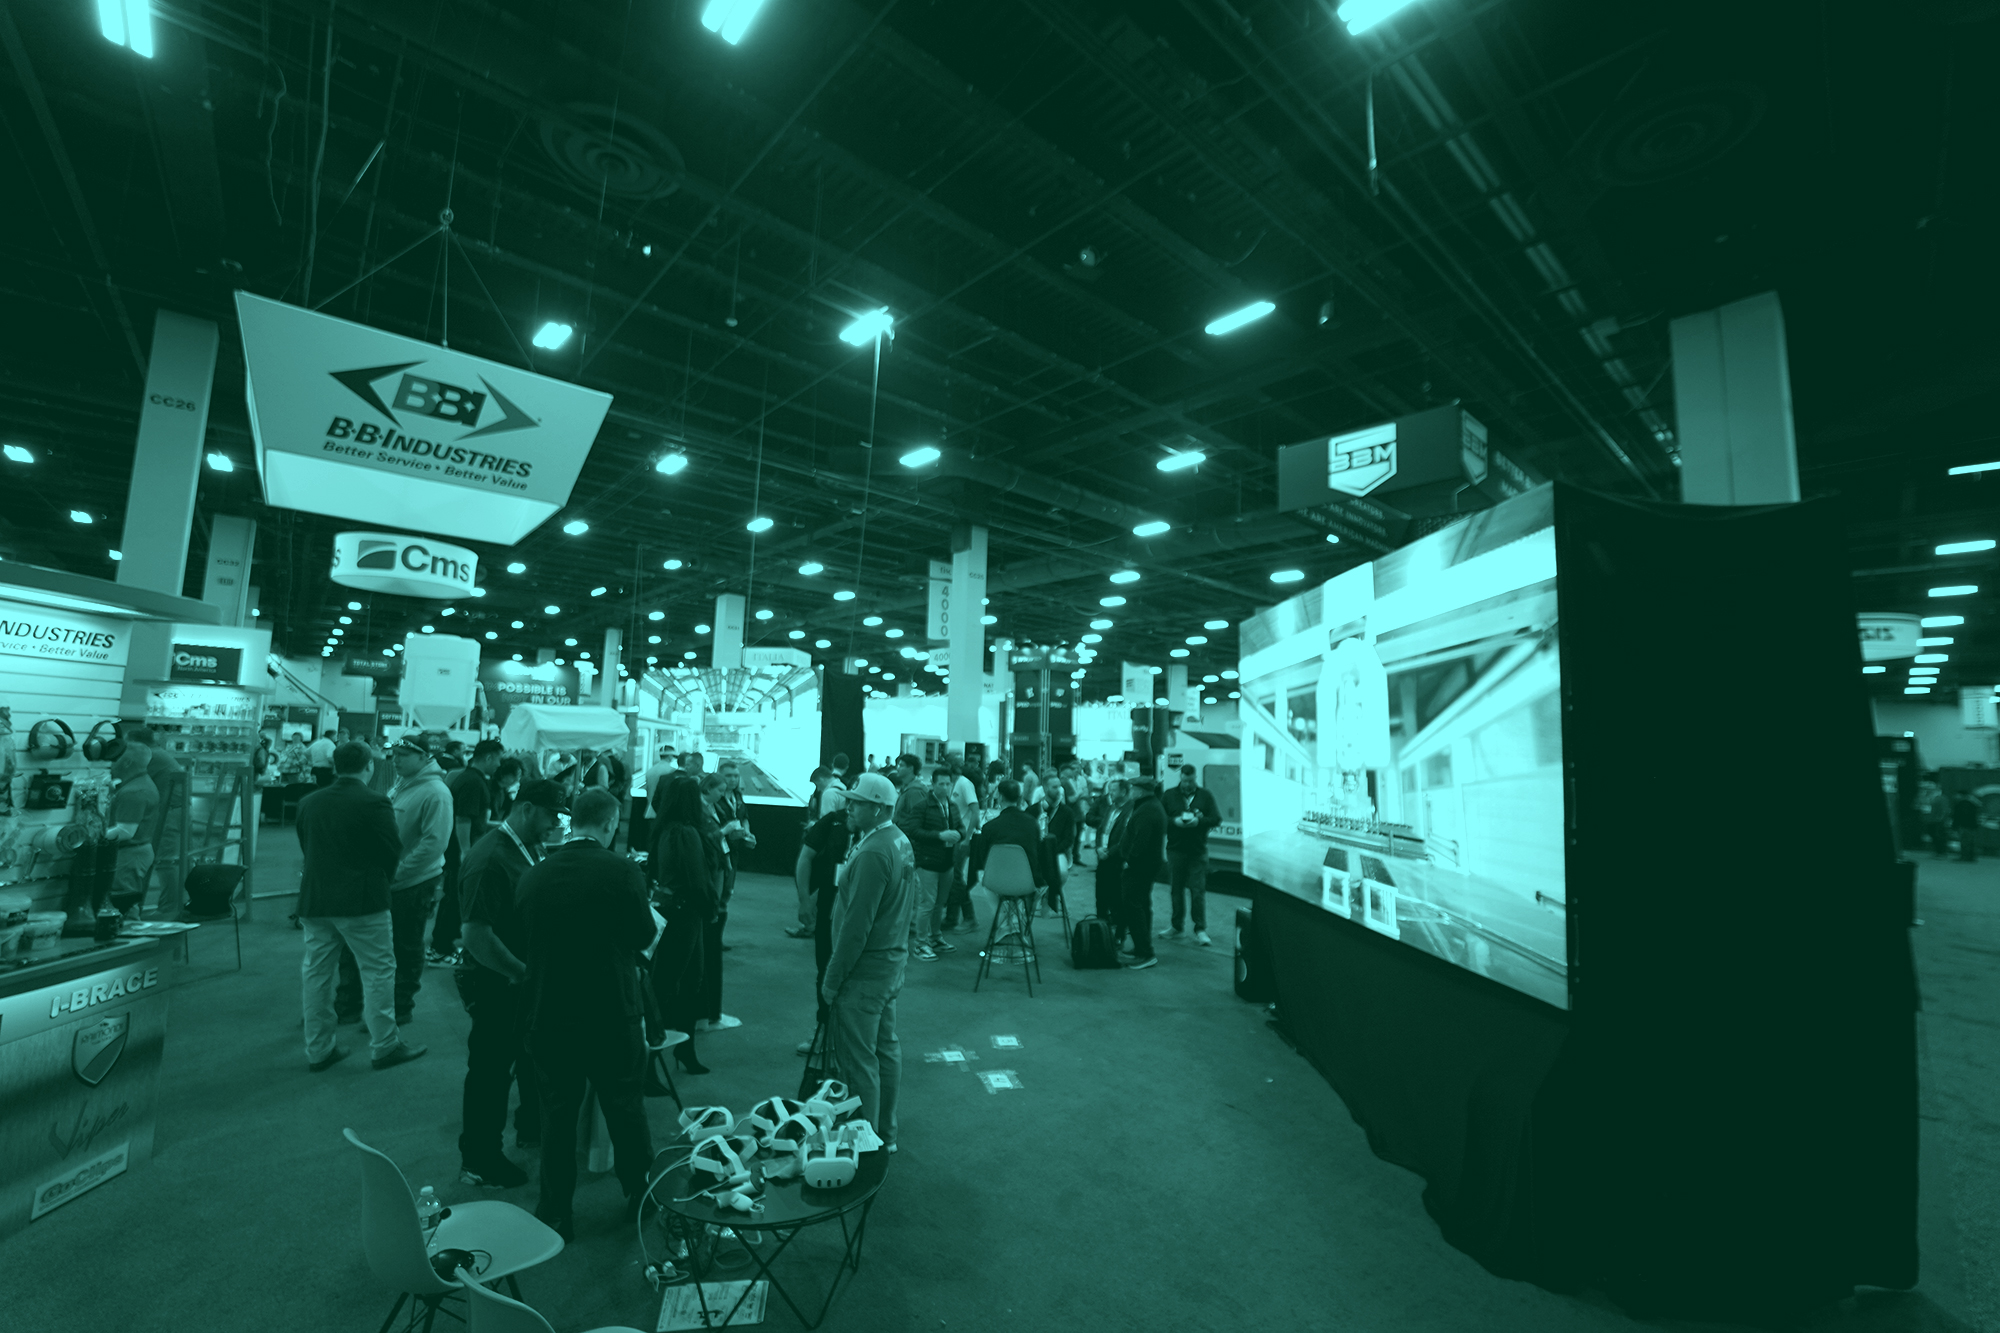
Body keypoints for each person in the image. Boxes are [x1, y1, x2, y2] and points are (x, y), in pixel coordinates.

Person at [518, 789, 658, 1241]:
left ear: (572, 820)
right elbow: (643, 935)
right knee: (625, 1107)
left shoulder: (534, 874)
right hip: (611, 1011)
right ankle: (640, 1194)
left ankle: (556, 1210)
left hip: (550, 1012)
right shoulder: (622, 871)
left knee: (556, 1116)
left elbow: (523, 939)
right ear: (611, 823)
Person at [454, 779, 566, 1187]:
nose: (555, 825)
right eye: (551, 816)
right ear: (527, 809)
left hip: (519, 981)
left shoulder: (526, 847)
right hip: (497, 985)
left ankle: (529, 1127)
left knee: (526, 1057)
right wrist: (520, 972)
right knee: (490, 1071)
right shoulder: (490, 859)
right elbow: (476, 936)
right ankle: (479, 1159)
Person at [296, 741, 425, 1071]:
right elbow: (391, 851)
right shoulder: (375, 801)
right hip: (363, 902)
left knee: (317, 974)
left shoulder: (309, 801)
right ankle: (385, 1045)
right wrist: (383, 881)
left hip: (315, 900)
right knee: (378, 971)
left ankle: (318, 1049)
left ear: (335, 765)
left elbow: (307, 847)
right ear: (369, 766)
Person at [822, 772, 915, 1151]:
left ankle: (865, 1146)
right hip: (889, 962)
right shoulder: (898, 840)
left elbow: (855, 928)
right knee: (884, 1049)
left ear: (878, 808)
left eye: (856, 803)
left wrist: (832, 979)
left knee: (859, 1060)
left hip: (865, 971)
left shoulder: (875, 851)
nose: (849, 807)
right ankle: (884, 1135)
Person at [651, 774, 724, 1074]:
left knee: (679, 982)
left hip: (672, 910)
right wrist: (712, 908)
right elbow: (697, 880)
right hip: (685, 914)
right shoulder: (686, 832)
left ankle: (680, 1050)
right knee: (673, 984)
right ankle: (652, 1060)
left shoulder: (665, 830)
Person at [387, 736, 453, 1023]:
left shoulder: (436, 793)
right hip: (393, 880)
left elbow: (434, 844)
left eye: (403, 754)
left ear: (424, 757)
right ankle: (386, 1004)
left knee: (408, 944)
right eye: (394, 754)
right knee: (390, 944)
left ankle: (401, 1006)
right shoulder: (402, 785)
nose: (396, 760)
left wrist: (399, 872)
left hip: (415, 883)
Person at [429, 739, 504, 967]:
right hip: (461, 850)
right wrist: (466, 851)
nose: (499, 764)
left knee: (454, 898)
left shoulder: (470, 778)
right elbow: (463, 819)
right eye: (498, 759)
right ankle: (441, 948)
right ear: (488, 757)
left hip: (458, 849)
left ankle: (442, 945)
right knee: (454, 899)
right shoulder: (472, 781)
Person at [70, 744, 159, 928]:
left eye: (115, 757)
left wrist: (91, 837)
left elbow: (126, 831)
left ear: (127, 763)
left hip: (129, 854)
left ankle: (130, 940)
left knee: (123, 906)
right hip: (133, 852)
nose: (110, 761)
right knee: (123, 903)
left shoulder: (135, 791)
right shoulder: (137, 785)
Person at [794, 786, 851, 1053]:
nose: (854, 808)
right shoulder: (833, 821)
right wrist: (805, 899)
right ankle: (824, 1029)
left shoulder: (882, 831)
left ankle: (852, 1036)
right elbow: (805, 857)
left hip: (863, 913)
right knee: (826, 969)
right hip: (829, 907)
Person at [894, 766, 962, 960]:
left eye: (948, 784)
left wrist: (959, 834)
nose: (945, 787)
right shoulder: (922, 806)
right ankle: (920, 944)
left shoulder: (952, 806)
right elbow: (914, 831)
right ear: (933, 784)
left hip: (947, 861)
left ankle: (935, 937)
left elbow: (961, 828)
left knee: (939, 903)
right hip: (927, 861)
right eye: (941, 784)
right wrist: (940, 836)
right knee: (927, 904)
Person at [121, 725, 186, 918]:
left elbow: (129, 776)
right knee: (167, 860)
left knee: (166, 861)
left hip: (171, 812)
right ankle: (171, 906)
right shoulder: (159, 754)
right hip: (172, 811)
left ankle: (169, 909)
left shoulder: (151, 756)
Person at [699, 772, 745, 1030]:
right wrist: (725, 831)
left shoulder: (715, 806)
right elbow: (708, 838)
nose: (722, 793)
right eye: (719, 789)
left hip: (720, 870)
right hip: (712, 877)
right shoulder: (702, 811)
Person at [1160, 764, 1222, 946]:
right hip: (1175, 850)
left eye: (1191, 781)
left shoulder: (1205, 796)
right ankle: (1176, 927)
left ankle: (1200, 929)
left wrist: (1199, 821)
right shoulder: (1169, 795)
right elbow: (1160, 818)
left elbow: (1216, 818)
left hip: (1197, 851)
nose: (1188, 784)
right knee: (1176, 890)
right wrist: (1174, 821)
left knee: (1197, 891)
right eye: (1185, 780)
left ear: (1196, 778)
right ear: (1180, 778)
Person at [968, 778, 1046, 915]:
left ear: (1000, 797)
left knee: (984, 879)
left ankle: (1002, 919)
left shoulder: (989, 827)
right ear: (1019, 797)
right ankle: (1015, 916)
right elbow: (1037, 853)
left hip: (997, 880)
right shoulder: (1032, 824)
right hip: (1027, 880)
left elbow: (983, 860)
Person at [1119, 777, 1168, 970]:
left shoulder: (1147, 811)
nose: (1130, 791)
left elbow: (1141, 841)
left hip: (1140, 866)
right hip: (1147, 865)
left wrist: (1129, 860)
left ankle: (1146, 953)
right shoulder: (1150, 806)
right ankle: (1141, 947)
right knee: (1142, 904)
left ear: (1140, 791)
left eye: (1133, 788)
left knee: (1133, 904)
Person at [940, 759, 983, 935]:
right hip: (953, 837)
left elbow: (975, 811)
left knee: (956, 877)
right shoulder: (952, 784)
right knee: (952, 876)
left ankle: (970, 918)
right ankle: (951, 917)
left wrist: (967, 837)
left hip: (962, 839)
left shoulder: (965, 784)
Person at [1038, 766, 1078, 917]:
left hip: (1058, 852)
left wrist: (1053, 851)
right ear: (1045, 788)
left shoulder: (1067, 812)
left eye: (1059, 787)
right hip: (1038, 851)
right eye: (1054, 787)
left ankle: (1050, 898)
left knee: (1060, 871)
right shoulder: (1035, 810)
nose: (1059, 790)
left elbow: (1069, 839)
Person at [1095, 778, 1133, 936]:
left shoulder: (1130, 810)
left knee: (1117, 898)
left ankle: (1119, 933)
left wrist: (1110, 852)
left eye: (1113, 790)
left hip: (1117, 860)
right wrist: (1098, 847)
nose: (1110, 793)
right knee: (1101, 896)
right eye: (1109, 790)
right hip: (1102, 857)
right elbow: (1101, 830)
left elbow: (1126, 837)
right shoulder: (1111, 808)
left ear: (1123, 792)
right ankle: (1100, 931)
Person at [1951, 787, 1982, 862]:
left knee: (1965, 841)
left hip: (1964, 825)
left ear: (1961, 795)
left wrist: (1955, 825)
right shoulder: (1973, 803)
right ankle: (1971, 857)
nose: (1956, 796)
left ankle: (1964, 856)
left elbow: (1959, 816)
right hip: (1972, 825)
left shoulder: (1962, 804)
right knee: (1971, 841)